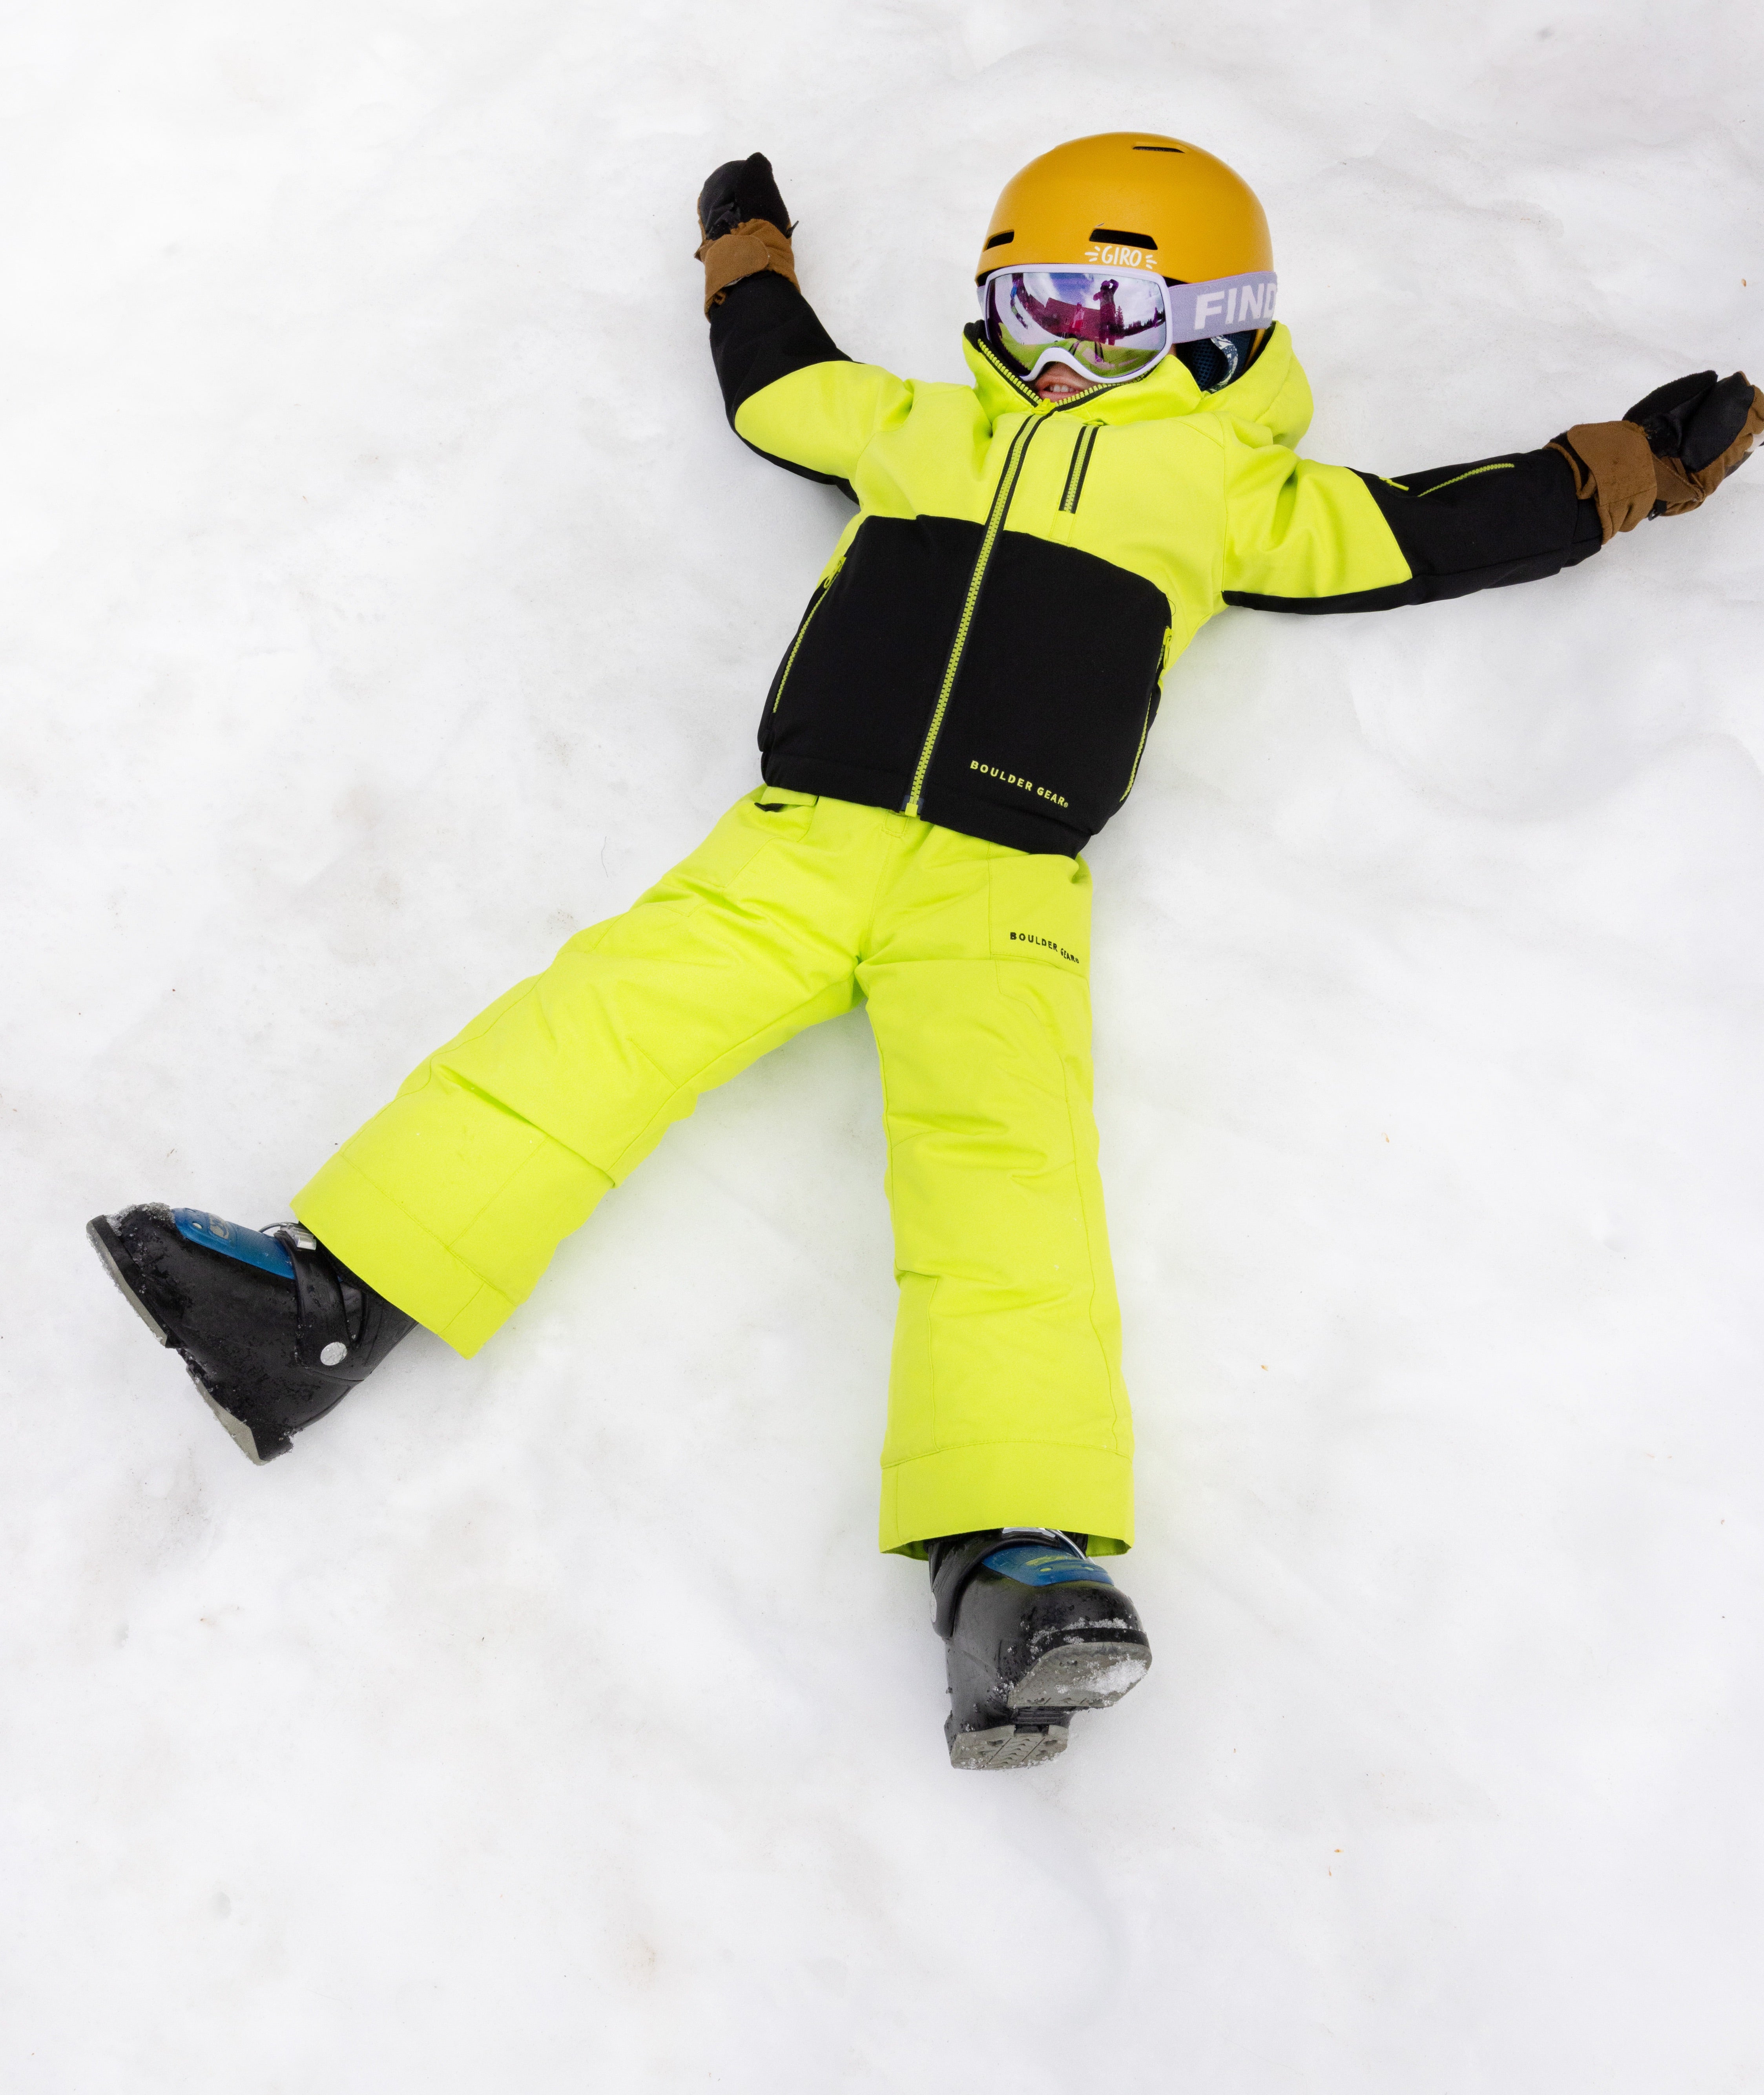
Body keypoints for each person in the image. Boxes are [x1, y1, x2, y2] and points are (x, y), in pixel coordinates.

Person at [88, 134, 1760, 1772]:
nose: (1068, 355)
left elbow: (1434, 525)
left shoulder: (1234, 491)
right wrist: (747, 259)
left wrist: (1626, 466)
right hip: (798, 841)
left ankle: (1010, 1571)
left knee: (1002, 1185)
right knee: (587, 1030)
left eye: (1122, 325)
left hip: (1001, 888)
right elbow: (776, 388)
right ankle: (316, 1306)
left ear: (1225, 329)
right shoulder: (917, 426)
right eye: (1038, 309)